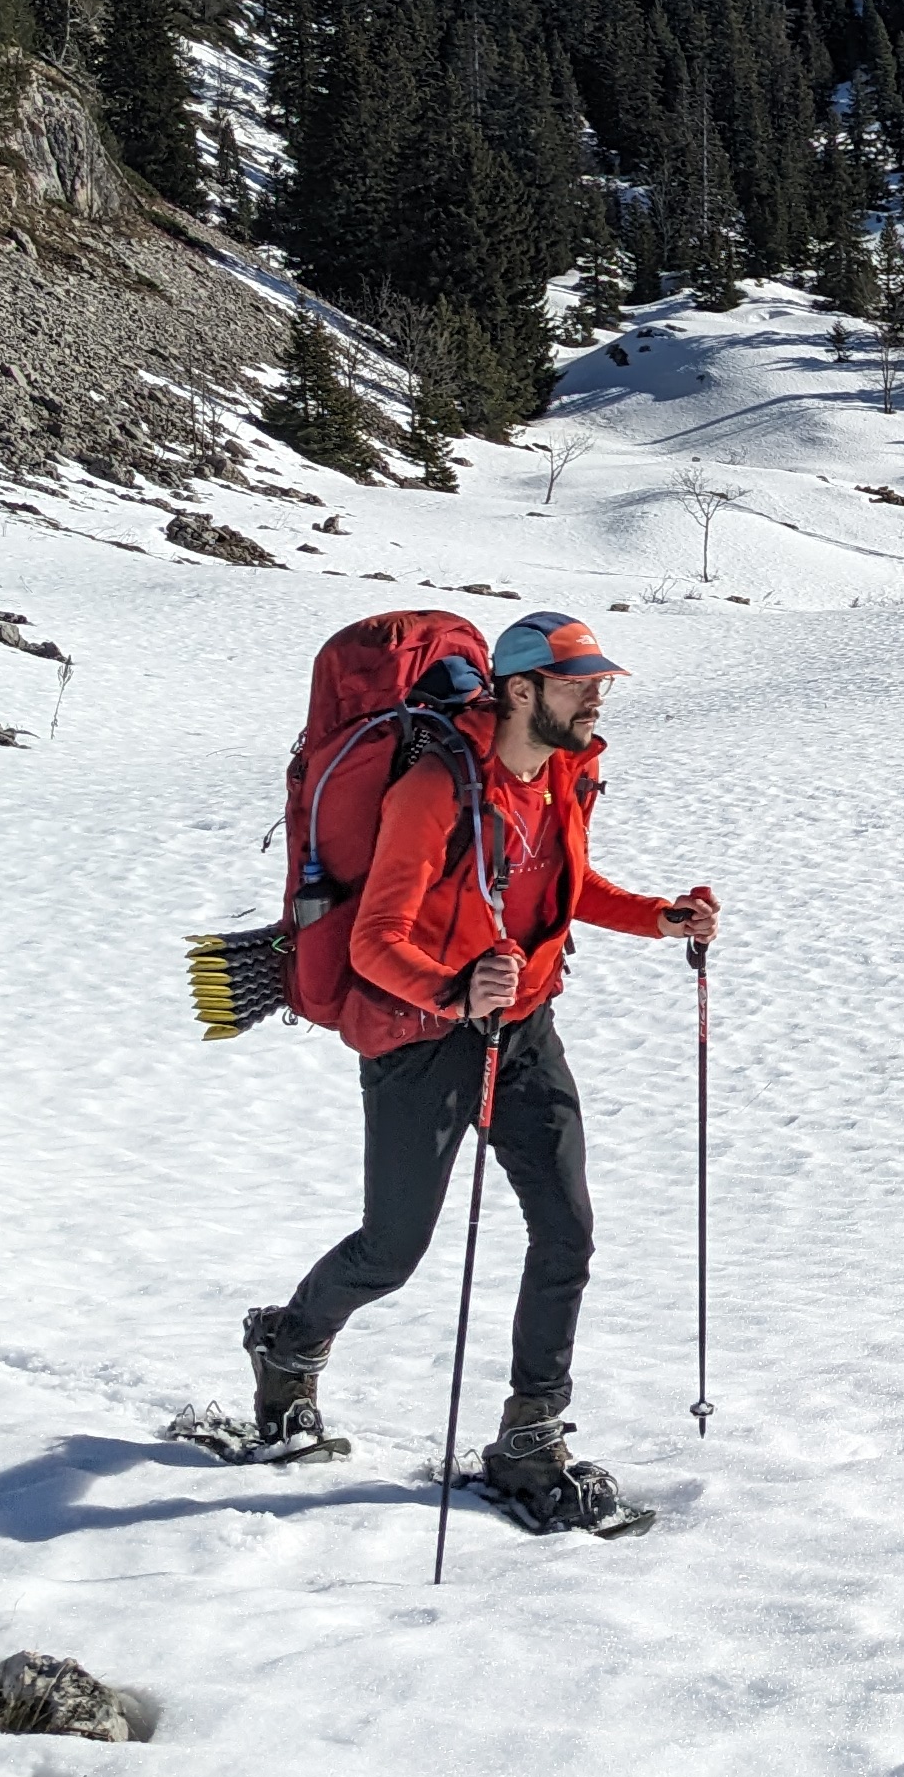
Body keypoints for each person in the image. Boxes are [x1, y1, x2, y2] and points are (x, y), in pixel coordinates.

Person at [240, 610, 717, 1523]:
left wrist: (658, 916)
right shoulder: (433, 789)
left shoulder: (566, 778)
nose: (598, 696)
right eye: (581, 682)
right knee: (392, 1251)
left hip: (525, 1026)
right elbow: (377, 941)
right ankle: (290, 1346)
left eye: (601, 682)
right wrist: (455, 995)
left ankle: (532, 1439)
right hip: (421, 1038)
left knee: (566, 1230)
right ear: (523, 689)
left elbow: (566, 890)